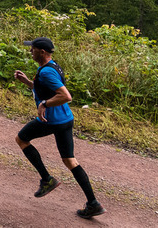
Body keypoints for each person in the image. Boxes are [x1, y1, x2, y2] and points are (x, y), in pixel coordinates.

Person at [13, 37, 105, 218]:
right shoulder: (52, 66)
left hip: (51, 120)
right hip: (65, 119)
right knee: (70, 161)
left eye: (32, 49)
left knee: (21, 139)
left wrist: (44, 105)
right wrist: (27, 82)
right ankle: (93, 203)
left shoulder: (47, 72)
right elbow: (46, 90)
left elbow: (66, 96)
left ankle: (47, 180)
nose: (30, 51)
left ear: (42, 52)